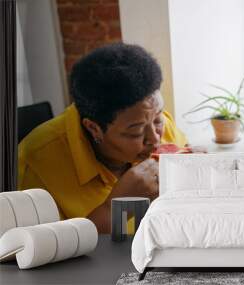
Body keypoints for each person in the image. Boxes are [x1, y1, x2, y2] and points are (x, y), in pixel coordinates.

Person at [18, 43, 190, 233]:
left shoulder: (155, 121)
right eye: (135, 132)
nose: (155, 139)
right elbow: (42, 251)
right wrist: (115, 209)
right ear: (94, 128)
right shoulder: (34, 166)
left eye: (157, 119)